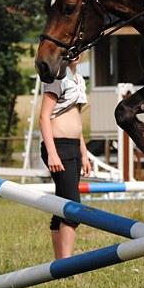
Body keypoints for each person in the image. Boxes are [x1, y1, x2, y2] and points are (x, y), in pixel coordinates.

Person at [39, 57, 91, 259]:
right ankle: (67, 266)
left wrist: (84, 153)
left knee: (61, 204)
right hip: (58, 147)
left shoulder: (79, 79)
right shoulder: (57, 78)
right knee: (72, 207)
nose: (77, 54)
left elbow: (76, 120)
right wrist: (52, 153)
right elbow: (44, 117)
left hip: (74, 147)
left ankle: (60, 264)